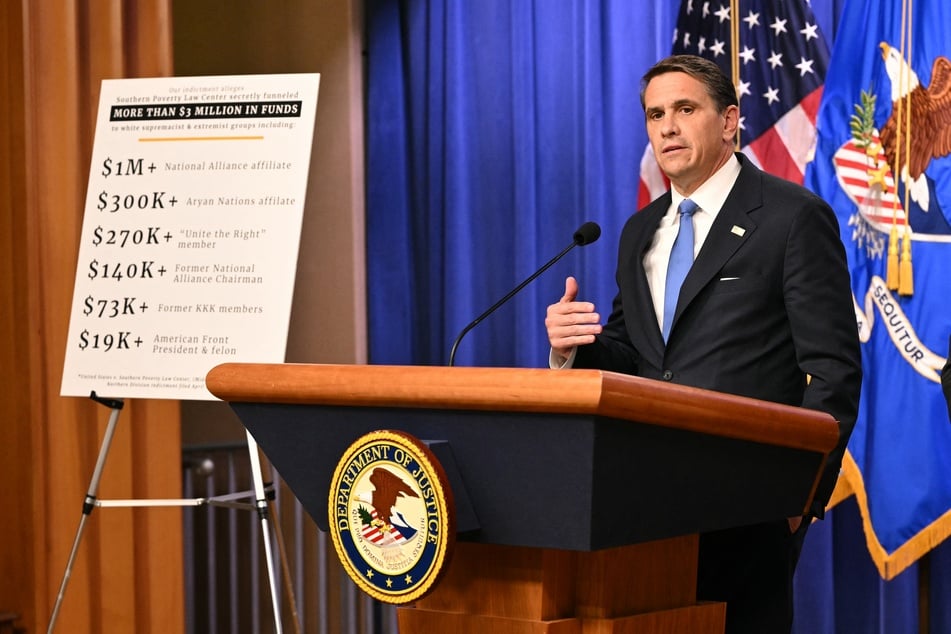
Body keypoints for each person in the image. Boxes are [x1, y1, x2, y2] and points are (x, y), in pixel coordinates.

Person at [545, 54, 862, 633]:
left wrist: (798, 499)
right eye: (655, 114)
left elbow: (833, 370)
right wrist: (576, 347)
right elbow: (634, 356)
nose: (667, 127)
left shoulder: (793, 217)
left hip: (749, 509)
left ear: (729, 121)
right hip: (642, 507)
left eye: (685, 109)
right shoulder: (640, 230)